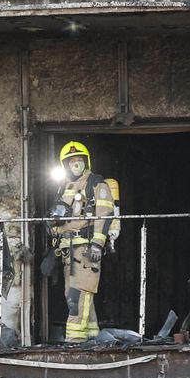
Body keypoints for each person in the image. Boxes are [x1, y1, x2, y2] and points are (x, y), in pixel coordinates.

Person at [50, 141, 120, 343]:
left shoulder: (97, 184)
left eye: (79, 160)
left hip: (86, 249)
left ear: (86, 161)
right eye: (72, 161)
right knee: (76, 293)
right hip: (68, 250)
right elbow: (60, 218)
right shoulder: (63, 187)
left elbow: (104, 215)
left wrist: (98, 244)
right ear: (65, 164)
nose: (76, 164)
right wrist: (53, 233)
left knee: (78, 294)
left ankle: (75, 340)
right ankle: (90, 333)